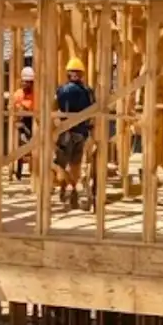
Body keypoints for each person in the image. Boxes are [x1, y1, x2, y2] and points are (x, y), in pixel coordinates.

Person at [53, 56, 96, 211]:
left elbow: (56, 107)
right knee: (76, 164)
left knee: (61, 164)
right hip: (81, 133)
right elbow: (93, 111)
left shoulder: (61, 90)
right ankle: (72, 189)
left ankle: (69, 188)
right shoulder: (88, 91)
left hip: (65, 132)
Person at [11, 66, 36, 181]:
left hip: (34, 122)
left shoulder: (36, 94)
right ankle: (18, 172)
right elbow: (12, 110)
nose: (27, 84)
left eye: (30, 82)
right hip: (21, 124)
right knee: (21, 148)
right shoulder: (17, 95)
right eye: (25, 81)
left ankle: (34, 172)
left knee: (35, 148)